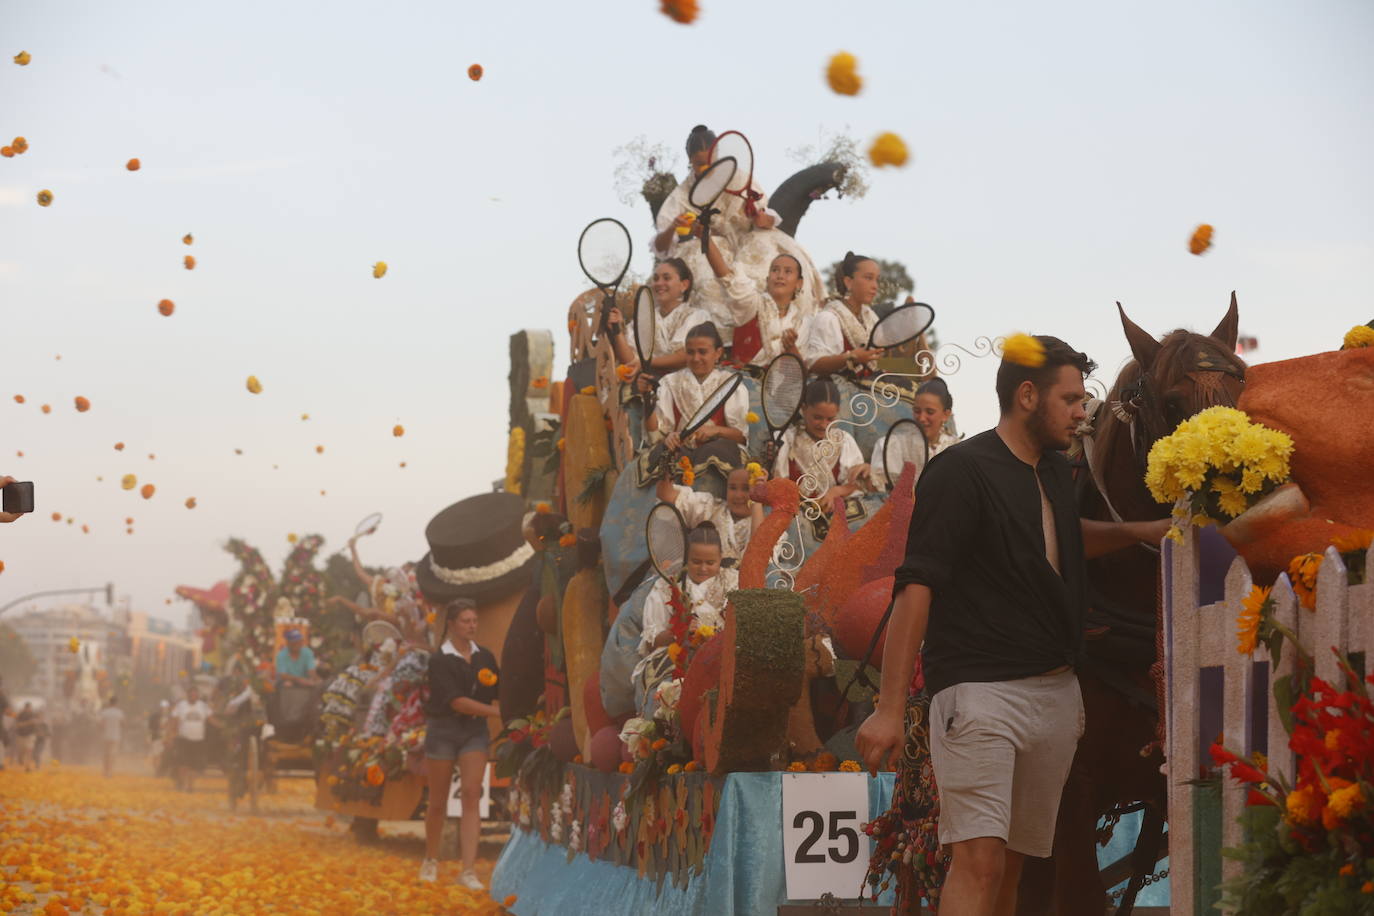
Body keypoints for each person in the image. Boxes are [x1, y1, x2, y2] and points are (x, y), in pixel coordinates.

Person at [855, 336, 1172, 916]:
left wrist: (1136, 532)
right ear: (1027, 395)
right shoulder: (959, 471)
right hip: (980, 695)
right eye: (1071, 399)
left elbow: (1058, 538)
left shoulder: (1052, 471)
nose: (1083, 412)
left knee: (1016, 869)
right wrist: (890, 706)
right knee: (980, 861)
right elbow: (915, 588)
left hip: (1054, 693)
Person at [420, 600, 500, 892]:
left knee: (470, 795)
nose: (472, 625)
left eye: (474, 620)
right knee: (438, 801)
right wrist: (497, 713)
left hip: (474, 733)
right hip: (442, 730)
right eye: (465, 620)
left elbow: (498, 688)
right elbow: (456, 702)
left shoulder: (485, 657)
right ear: (451, 624)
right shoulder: (439, 660)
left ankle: (468, 869)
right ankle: (431, 858)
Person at [633, 523, 738, 712]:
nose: (703, 568)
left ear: (720, 559)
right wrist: (679, 631)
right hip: (674, 658)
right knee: (663, 696)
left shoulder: (733, 582)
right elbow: (652, 639)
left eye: (710, 562)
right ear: (685, 559)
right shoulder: (667, 585)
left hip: (723, 656)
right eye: (696, 562)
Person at [702, 234, 811, 368]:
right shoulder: (753, 304)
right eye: (775, 270)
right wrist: (705, 238)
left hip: (782, 386)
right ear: (767, 279)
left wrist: (791, 348)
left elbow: (802, 372)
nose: (780, 276)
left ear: (799, 283)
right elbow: (726, 277)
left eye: (788, 271)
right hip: (743, 384)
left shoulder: (802, 323)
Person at [646, 321, 750, 450]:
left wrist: (716, 431)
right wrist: (669, 437)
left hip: (720, 454)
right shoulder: (669, 383)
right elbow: (657, 435)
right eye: (690, 352)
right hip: (680, 454)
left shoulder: (730, 384)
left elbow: (742, 437)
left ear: (718, 353)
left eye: (702, 352)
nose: (696, 358)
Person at [773, 378, 868, 511]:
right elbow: (778, 484)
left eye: (830, 419)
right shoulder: (787, 439)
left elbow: (857, 484)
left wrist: (836, 492)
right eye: (817, 417)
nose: (824, 425)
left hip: (835, 513)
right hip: (796, 512)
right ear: (804, 409)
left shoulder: (844, 440)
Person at [610, 258, 711, 378]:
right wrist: (617, 330)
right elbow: (629, 362)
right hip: (646, 387)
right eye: (656, 279)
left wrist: (644, 363)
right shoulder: (643, 319)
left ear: (684, 285)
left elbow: (684, 356)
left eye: (666, 278)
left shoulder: (698, 316)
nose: (658, 283)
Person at [656, 463, 763, 565]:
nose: (738, 495)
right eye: (732, 488)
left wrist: (757, 499)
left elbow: (758, 551)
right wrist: (667, 464)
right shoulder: (711, 507)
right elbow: (666, 495)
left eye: (746, 489)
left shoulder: (765, 523)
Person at [868, 377, 960, 491]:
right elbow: (885, 488)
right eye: (917, 411)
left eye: (930, 412)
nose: (921, 418)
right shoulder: (894, 444)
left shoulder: (957, 448)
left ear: (946, 415)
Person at [804, 252, 886, 376]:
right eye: (869, 278)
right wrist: (850, 358)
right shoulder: (829, 318)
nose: (875, 286)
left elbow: (881, 362)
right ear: (848, 282)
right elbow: (815, 364)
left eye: (876, 280)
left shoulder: (871, 317)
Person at [171, 685, 212, 792]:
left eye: (195, 694)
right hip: (184, 739)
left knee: (194, 765)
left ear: (198, 696)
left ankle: (190, 786)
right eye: (191, 694)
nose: (193, 696)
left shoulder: (203, 706)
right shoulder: (181, 706)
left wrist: (223, 726)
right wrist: (172, 734)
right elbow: (175, 719)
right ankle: (182, 783)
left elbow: (210, 719)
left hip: (198, 740)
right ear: (188, 695)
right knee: (183, 763)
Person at [99, 695, 124, 778]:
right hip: (116, 736)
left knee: (106, 754)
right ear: (116, 703)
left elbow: (101, 725)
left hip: (106, 736)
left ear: (109, 703)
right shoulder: (119, 713)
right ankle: (110, 771)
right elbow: (123, 724)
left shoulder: (105, 712)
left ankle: (105, 770)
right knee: (113, 754)